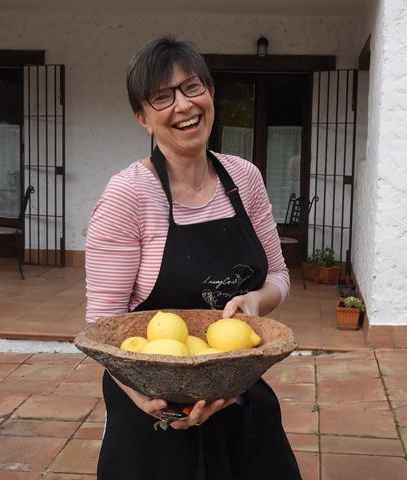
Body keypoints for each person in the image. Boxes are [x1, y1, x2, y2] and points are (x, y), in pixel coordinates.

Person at [85, 36, 301, 480]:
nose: (183, 106)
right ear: (143, 118)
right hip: (151, 407)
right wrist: (143, 395)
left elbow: (278, 275)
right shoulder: (128, 195)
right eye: (162, 97)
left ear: (210, 93)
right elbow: (103, 324)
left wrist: (256, 303)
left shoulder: (245, 179)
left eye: (192, 88)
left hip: (236, 392)